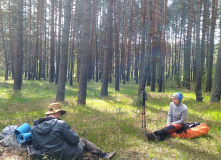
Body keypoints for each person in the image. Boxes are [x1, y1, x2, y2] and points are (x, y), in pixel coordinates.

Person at [31, 103, 116, 160]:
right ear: (57, 113)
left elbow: (35, 144)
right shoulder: (60, 124)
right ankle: (103, 155)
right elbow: (75, 140)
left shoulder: (35, 126)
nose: (61, 115)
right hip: (64, 154)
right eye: (60, 113)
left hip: (48, 155)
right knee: (83, 140)